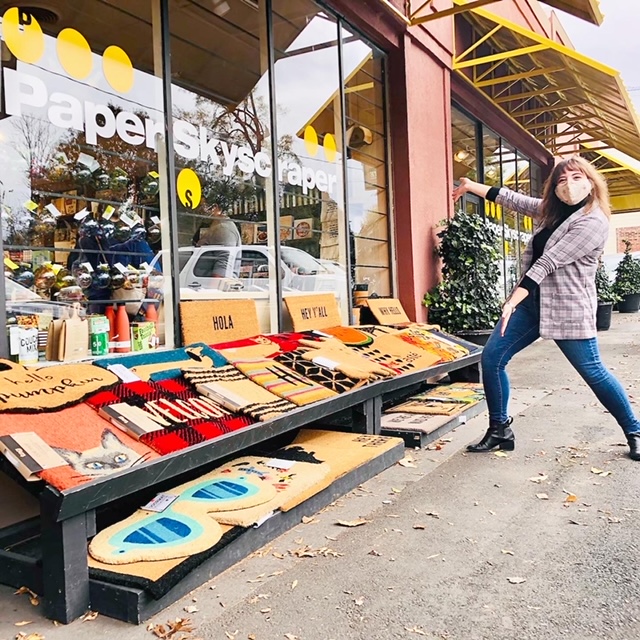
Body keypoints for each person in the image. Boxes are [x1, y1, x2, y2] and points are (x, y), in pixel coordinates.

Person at [452, 155, 640, 461]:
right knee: (492, 358)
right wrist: (472, 186)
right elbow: (514, 200)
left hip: (568, 309)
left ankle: (635, 430)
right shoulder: (552, 211)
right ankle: (500, 429)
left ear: (591, 182)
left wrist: (512, 300)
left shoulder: (593, 221)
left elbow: (548, 261)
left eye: (577, 178)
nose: (569, 185)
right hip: (532, 305)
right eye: (562, 180)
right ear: (554, 188)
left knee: (593, 371)